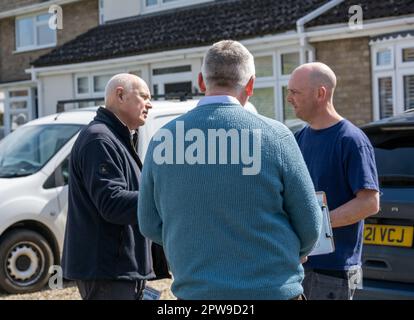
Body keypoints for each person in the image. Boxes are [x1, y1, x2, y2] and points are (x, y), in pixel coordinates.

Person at [138, 40, 322, 300]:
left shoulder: (163, 140)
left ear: (201, 82)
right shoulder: (276, 137)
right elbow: (311, 225)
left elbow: (148, 223)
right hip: (272, 290)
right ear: (251, 84)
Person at [62, 73, 166, 300]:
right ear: (120, 95)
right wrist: (164, 197)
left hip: (119, 270)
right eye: (144, 96)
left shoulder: (116, 137)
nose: (150, 104)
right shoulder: (99, 139)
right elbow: (112, 203)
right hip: (109, 273)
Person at [287, 62, 380, 300]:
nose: (289, 98)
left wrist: (317, 223)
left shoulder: (351, 140)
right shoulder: (298, 138)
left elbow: (369, 203)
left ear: (321, 93)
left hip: (334, 270)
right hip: (299, 265)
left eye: (295, 92)